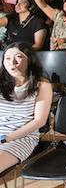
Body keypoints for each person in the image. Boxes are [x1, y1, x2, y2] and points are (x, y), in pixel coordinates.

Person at [0, 43, 53, 171]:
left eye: (18, 57)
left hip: (21, 138)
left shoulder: (42, 85)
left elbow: (39, 121)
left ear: (29, 60)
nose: (12, 62)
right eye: (7, 58)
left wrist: (7, 138)